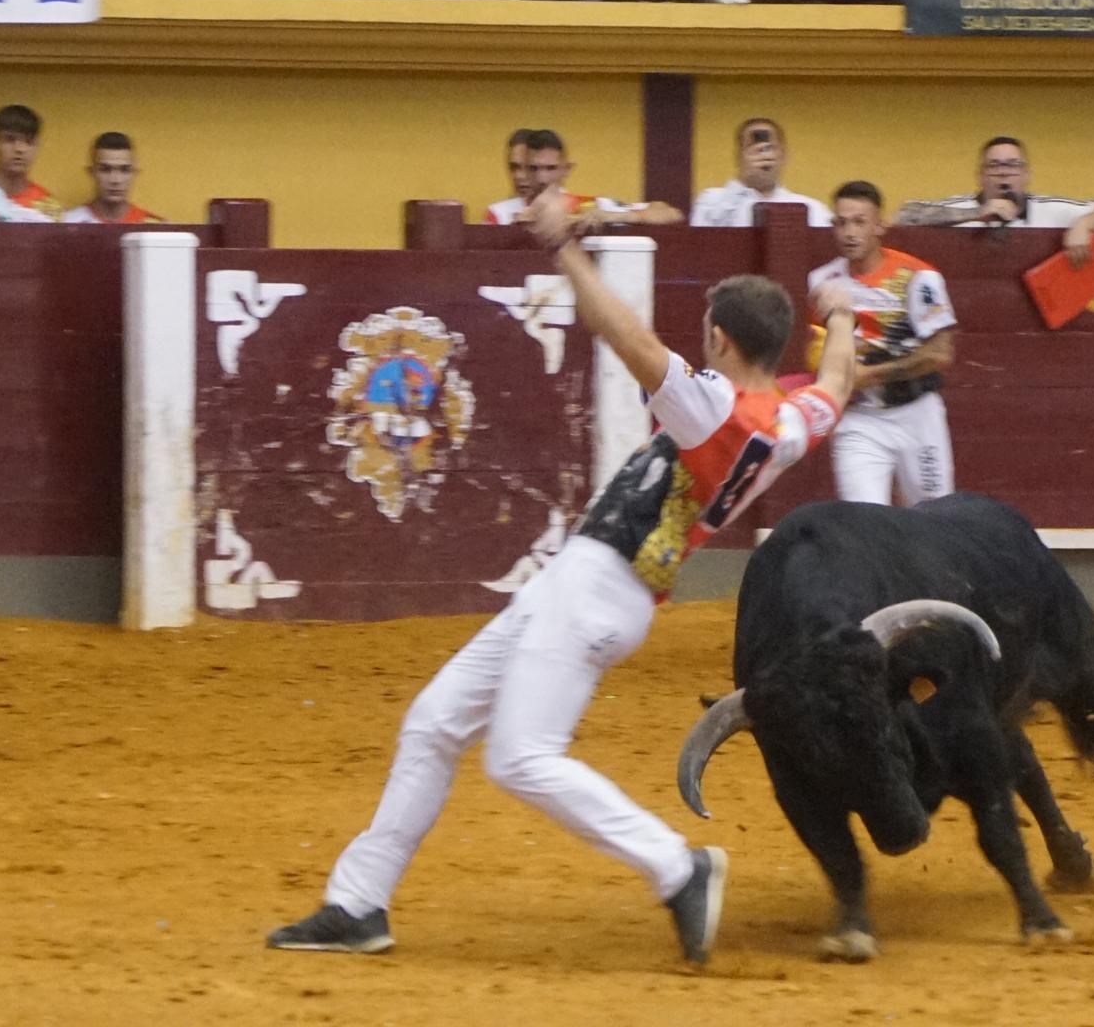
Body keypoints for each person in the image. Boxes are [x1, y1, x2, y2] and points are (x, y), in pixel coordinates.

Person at [266, 185, 857, 965]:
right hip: (588, 584)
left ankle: (676, 869)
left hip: (596, 586)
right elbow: (838, 383)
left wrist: (562, 248)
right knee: (434, 722)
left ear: (718, 338)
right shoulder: (785, 421)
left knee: (521, 756)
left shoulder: (715, 410)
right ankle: (357, 903)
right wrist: (841, 314)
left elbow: (630, 339)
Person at [807, 180, 955, 507]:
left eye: (859, 222)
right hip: (858, 419)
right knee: (863, 518)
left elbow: (940, 353)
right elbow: (814, 349)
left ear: (879, 226)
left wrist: (869, 375)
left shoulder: (918, 277)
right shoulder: (821, 282)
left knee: (933, 516)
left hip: (918, 416)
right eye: (841, 222)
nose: (849, 233)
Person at [894, 135, 1094, 232]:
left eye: (1013, 165)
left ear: (1026, 174)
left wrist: (1083, 225)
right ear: (980, 176)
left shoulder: (1051, 208)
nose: (1003, 173)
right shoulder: (963, 207)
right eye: (993, 166)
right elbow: (904, 215)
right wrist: (976, 214)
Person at [518, 129, 684, 228]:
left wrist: (614, 216)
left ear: (566, 169)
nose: (542, 178)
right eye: (533, 168)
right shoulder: (504, 211)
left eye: (551, 168)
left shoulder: (587, 205)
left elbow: (671, 214)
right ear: (523, 169)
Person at [690, 118, 833, 228]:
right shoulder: (711, 200)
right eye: (753, 149)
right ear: (738, 157)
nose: (763, 156)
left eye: (770, 148)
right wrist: (743, 181)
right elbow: (703, 243)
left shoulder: (811, 208)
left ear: (784, 156)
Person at [62, 133, 163, 225]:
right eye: (105, 169)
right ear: (91, 172)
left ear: (134, 173)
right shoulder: (68, 224)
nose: (115, 180)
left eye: (125, 170)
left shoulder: (155, 229)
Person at [0, 104, 61, 222]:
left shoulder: (47, 206)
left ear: (37, 146)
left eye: (28, 141)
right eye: (10, 139)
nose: (19, 149)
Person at [484, 127, 534, 225]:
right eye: (514, 167)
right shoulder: (498, 214)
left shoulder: (565, 208)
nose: (519, 176)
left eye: (529, 167)